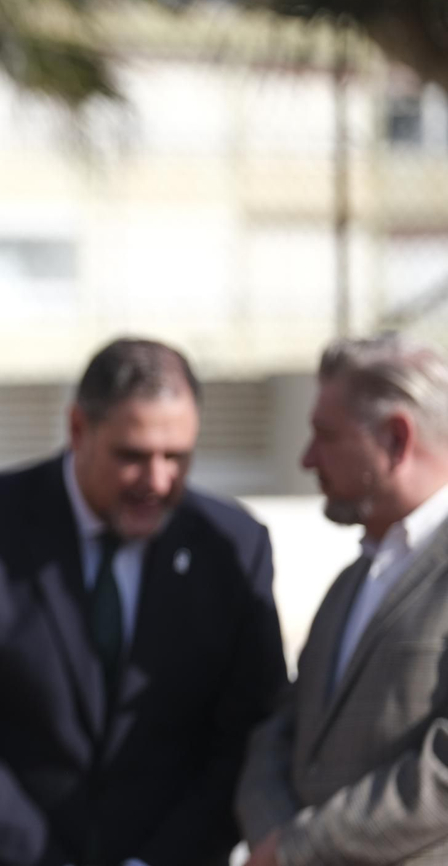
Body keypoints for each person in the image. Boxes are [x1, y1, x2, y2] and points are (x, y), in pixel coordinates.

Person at [0, 338, 287, 866]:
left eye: (176, 457)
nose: (157, 480)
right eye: (132, 456)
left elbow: (250, 733)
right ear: (79, 428)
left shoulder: (233, 547)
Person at [236, 334, 448, 866]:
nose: (307, 458)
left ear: (396, 439)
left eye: (326, 435)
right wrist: (273, 835)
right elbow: (282, 728)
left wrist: (302, 847)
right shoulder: (354, 580)